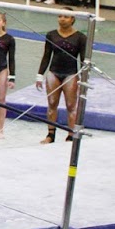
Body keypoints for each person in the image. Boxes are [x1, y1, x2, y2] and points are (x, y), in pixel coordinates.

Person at [36, 11, 87, 143]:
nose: (62, 19)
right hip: (54, 72)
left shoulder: (80, 37)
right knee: (52, 103)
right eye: (60, 16)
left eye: (65, 17)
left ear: (72, 19)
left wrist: (82, 78)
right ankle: (51, 135)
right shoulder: (51, 35)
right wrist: (40, 75)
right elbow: (46, 55)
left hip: (71, 73)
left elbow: (83, 60)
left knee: (71, 105)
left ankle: (71, 135)